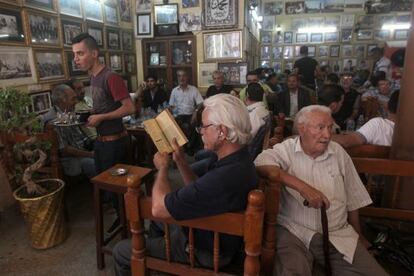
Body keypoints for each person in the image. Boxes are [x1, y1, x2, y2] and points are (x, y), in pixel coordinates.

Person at [112, 94, 258, 275]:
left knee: (121, 250)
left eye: (203, 127)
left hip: (205, 250)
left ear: (222, 131)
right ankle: (161, 267)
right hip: (215, 234)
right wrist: (180, 161)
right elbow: (200, 189)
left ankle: (167, 259)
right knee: (157, 224)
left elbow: (158, 207)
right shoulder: (238, 159)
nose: (201, 132)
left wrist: (163, 168)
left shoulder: (224, 177)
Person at [255, 105, 388, 276]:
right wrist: (303, 187)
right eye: (320, 128)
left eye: (330, 128)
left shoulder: (338, 152)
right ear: (302, 129)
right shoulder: (287, 149)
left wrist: (358, 234)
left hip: (337, 234)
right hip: (295, 231)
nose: (327, 135)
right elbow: (260, 163)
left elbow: (353, 197)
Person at [72, 33, 135, 230]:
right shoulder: (93, 77)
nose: (76, 58)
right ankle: (122, 219)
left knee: (117, 188)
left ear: (94, 53)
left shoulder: (110, 76)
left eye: (80, 53)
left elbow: (129, 108)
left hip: (115, 142)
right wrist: (94, 113)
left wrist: (102, 117)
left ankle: (130, 224)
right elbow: (106, 105)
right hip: (102, 141)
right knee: (107, 189)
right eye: (74, 54)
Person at [40, 84, 96, 179]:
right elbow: (65, 150)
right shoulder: (53, 120)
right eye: (73, 99)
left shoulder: (68, 112)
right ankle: (104, 190)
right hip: (70, 160)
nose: (76, 102)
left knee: (109, 149)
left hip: (83, 150)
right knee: (95, 163)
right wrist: (91, 154)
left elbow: (82, 137)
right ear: (62, 101)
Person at [333, 90, 399, 147]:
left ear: (387, 106)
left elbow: (346, 142)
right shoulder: (408, 132)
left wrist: (324, 136)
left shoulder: (378, 124)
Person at [169, 70, 203, 154]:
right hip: (178, 115)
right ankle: (181, 148)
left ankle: (189, 147)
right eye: (179, 76)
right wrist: (170, 113)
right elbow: (171, 106)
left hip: (191, 114)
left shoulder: (193, 89)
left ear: (187, 77)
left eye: (183, 76)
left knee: (192, 125)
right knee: (173, 125)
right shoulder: (174, 91)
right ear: (177, 78)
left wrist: (195, 112)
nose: (181, 78)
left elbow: (200, 103)